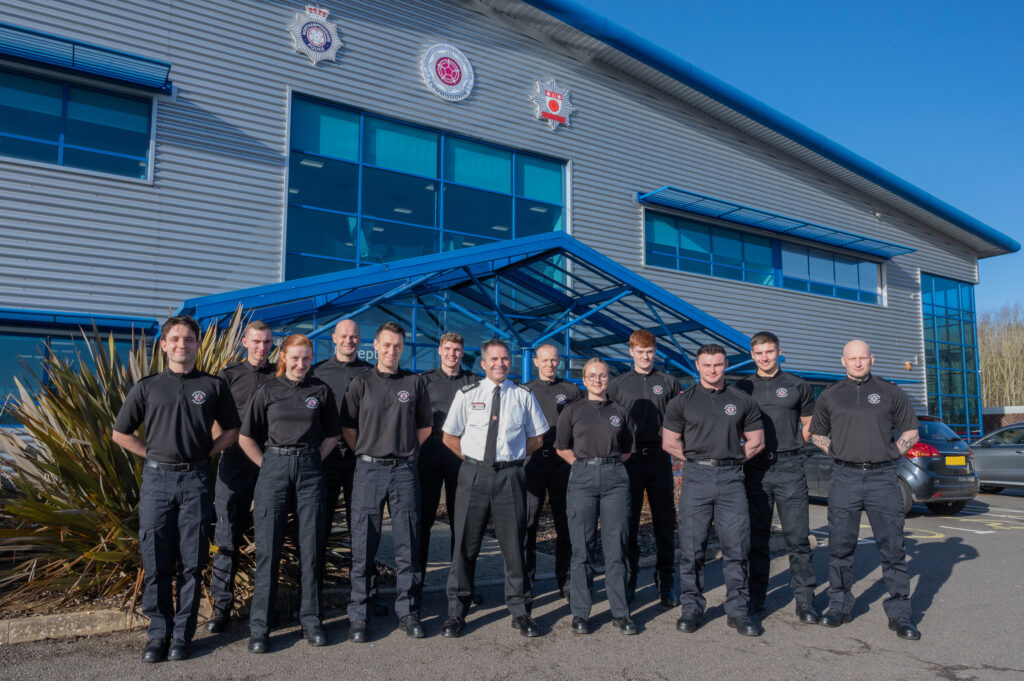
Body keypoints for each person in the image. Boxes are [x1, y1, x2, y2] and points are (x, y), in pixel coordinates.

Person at [112, 315, 240, 663]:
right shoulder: (147, 387)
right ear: (164, 345)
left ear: (197, 345)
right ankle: (158, 634)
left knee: (192, 561)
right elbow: (120, 432)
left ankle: (183, 634)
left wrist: (206, 453)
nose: (182, 344)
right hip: (156, 481)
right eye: (176, 339)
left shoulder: (213, 386)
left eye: (189, 339)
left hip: (196, 480)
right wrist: (152, 455)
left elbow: (232, 430)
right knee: (155, 559)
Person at [808, 339, 921, 640]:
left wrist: (894, 452)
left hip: (883, 478)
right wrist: (837, 450)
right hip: (844, 477)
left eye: (863, 358)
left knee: (893, 548)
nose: (857, 363)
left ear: (873, 359)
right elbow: (817, 433)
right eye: (852, 358)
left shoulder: (890, 392)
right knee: (840, 547)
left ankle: (900, 615)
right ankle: (839, 605)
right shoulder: (830, 396)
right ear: (842, 361)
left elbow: (911, 430)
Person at [238, 334, 340, 653]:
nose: (300, 364)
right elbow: (245, 437)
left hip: (310, 471)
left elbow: (333, 435)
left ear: (312, 358)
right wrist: (268, 465)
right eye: (295, 358)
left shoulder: (321, 391)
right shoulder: (267, 390)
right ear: (283, 357)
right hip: (274, 470)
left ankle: (311, 620)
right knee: (268, 549)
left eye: (306, 358)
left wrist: (309, 459)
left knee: (311, 548)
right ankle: (260, 627)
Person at [440, 339, 548, 638]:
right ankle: (456, 613)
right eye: (495, 359)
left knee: (515, 546)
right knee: (464, 545)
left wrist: (510, 458)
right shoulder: (468, 394)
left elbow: (537, 438)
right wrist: (476, 459)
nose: (500, 363)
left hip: (510, 477)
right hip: (473, 475)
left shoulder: (523, 396)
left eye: (505, 359)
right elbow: (449, 436)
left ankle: (521, 612)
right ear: (484, 363)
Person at [662, 343, 764, 637]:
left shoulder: (741, 400)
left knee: (737, 548)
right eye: (706, 365)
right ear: (697, 365)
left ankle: (738, 611)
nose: (712, 370)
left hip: (732, 478)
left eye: (717, 365)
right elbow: (669, 442)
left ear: (726, 365)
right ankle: (691, 609)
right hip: (696, 477)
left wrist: (730, 459)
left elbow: (756, 440)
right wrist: (697, 461)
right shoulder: (682, 401)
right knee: (692, 549)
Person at [342, 322, 432, 642]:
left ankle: (408, 611)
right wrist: (368, 453)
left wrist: (404, 451)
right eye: (387, 345)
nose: (392, 351)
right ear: (376, 346)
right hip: (368, 471)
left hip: (404, 472)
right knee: (364, 544)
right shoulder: (360, 383)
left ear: (402, 349)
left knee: (407, 542)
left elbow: (425, 428)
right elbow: (348, 428)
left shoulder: (414, 382)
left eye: (398, 346)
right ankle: (359, 613)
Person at [734, 331, 819, 624]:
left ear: (778, 351)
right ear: (752, 355)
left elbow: (808, 423)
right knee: (757, 539)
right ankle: (757, 598)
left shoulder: (797, 384)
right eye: (759, 353)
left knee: (797, 538)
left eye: (769, 352)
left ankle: (805, 600)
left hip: (790, 469)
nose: (765, 358)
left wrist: (794, 444)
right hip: (755, 469)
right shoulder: (743, 387)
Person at [309, 319, 388, 618]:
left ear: (360, 339)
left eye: (354, 336)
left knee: (365, 531)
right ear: (334, 338)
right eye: (344, 336)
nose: (349, 340)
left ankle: (367, 596)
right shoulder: (317, 372)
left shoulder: (370, 375)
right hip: (325, 461)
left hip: (361, 462)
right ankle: (311, 599)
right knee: (318, 529)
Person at [555, 358, 636, 635]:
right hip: (582, 479)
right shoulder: (572, 410)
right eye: (592, 375)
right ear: (584, 378)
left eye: (602, 375)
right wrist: (584, 467)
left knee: (616, 548)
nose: (597, 380)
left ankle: (620, 613)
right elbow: (562, 447)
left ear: (608, 378)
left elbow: (626, 449)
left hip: (615, 479)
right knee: (582, 549)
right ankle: (580, 613)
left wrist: (606, 465)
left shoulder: (620, 411)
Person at [207, 320, 276, 634]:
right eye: (257, 342)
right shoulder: (229, 374)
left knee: (269, 538)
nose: (262, 348)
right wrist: (223, 446)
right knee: (226, 538)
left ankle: (264, 610)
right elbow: (212, 417)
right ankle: (221, 610)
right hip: (234, 465)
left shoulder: (280, 373)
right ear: (245, 343)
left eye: (267, 343)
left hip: (269, 464)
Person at [607, 329, 681, 607]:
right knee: (628, 524)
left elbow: (678, 420)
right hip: (630, 461)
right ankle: (629, 583)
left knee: (664, 524)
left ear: (655, 351)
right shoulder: (618, 385)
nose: (645, 356)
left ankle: (667, 584)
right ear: (631, 352)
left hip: (660, 460)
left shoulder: (668, 382)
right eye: (640, 352)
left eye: (649, 352)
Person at [417, 332, 476, 589]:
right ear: (439, 351)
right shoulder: (424, 381)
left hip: (461, 462)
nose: (452, 354)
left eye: (457, 350)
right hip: (428, 461)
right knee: (423, 523)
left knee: (461, 526)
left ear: (462, 353)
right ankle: (416, 586)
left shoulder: (474, 382)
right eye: (448, 349)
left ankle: (461, 587)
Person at [524, 344, 580, 600]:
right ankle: (526, 583)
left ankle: (566, 583)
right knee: (528, 524)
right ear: (536, 362)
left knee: (565, 524)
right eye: (545, 360)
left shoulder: (570, 391)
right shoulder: (525, 390)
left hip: (561, 464)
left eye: (554, 360)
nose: (550, 364)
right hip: (533, 463)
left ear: (559, 362)